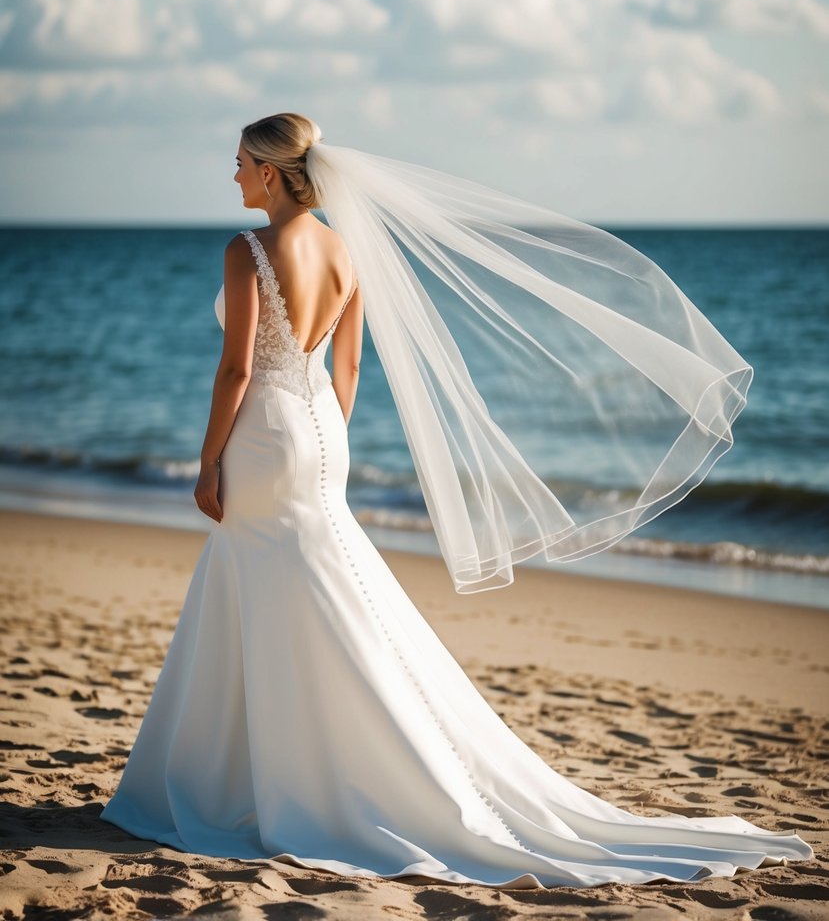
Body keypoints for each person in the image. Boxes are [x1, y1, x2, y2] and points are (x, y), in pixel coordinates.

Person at [100, 113, 813, 887]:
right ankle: (290, 766)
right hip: (319, 434)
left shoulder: (247, 252)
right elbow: (348, 368)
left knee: (273, 589)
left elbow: (235, 371)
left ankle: (238, 779)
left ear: (271, 172)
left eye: (239, 161)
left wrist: (208, 463)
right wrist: (324, 440)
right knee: (320, 587)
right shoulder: (344, 251)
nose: (232, 173)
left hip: (265, 432)